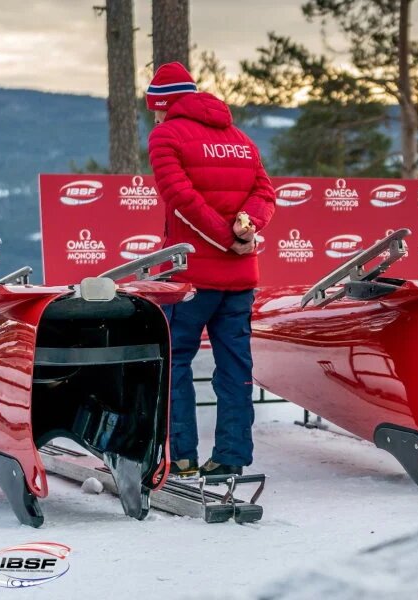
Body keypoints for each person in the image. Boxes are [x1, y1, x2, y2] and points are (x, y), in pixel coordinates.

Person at [146, 62, 276, 478]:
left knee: (176, 361)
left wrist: (224, 237)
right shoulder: (240, 138)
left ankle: (181, 457)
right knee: (236, 367)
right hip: (240, 277)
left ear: (164, 103)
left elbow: (179, 198)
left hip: (190, 277)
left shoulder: (165, 135)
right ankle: (232, 457)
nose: (154, 116)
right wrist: (247, 229)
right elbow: (265, 194)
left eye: (155, 108)